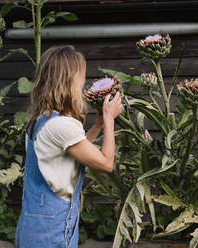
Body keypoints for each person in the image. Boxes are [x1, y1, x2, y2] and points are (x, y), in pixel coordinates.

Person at [14, 45, 122, 248]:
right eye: (80, 77)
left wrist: (97, 126)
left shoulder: (40, 120)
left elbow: (75, 152)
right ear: (68, 80)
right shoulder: (61, 125)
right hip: (51, 226)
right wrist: (109, 118)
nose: (82, 84)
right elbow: (106, 163)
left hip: (34, 223)